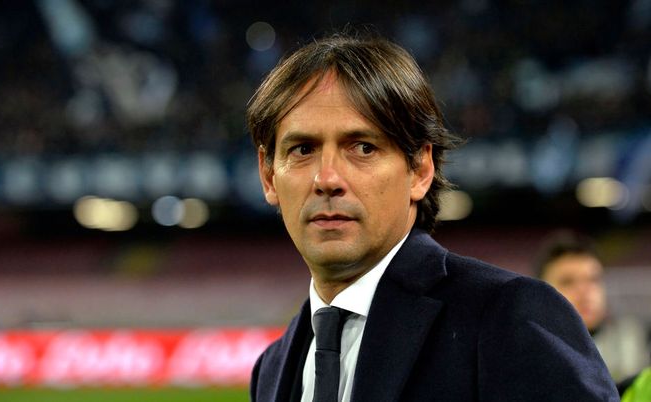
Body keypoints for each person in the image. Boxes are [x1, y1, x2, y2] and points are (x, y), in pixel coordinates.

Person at [247, 32, 618, 401]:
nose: (327, 179)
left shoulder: (507, 318)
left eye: (363, 147)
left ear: (420, 170)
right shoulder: (272, 369)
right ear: (268, 176)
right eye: (302, 149)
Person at [534, 231, 651, 386]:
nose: (585, 291)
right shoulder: (527, 357)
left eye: (593, 279)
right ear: (541, 294)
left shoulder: (639, 340)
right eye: (567, 281)